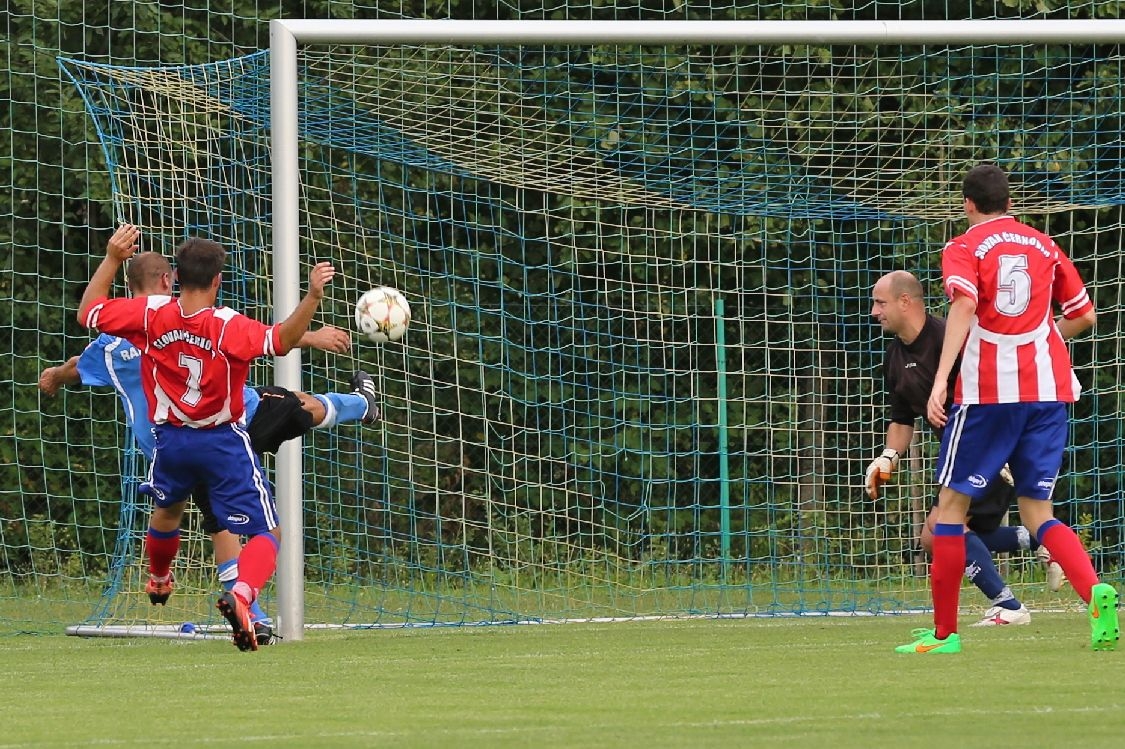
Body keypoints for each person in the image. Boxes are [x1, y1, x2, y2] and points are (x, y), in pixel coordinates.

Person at [39, 252, 381, 646]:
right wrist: (312, 304)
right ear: (185, 280)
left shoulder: (138, 326)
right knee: (295, 419)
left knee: (176, 512)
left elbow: (86, 329)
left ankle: (161, 578)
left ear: (177, 279)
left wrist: (55, 374)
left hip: (167, 443)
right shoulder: (223, 323)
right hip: (227, 433)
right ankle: (245, 600)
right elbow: (278, 339)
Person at [898, 163, 1118, 654]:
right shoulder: (1044, 244)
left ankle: (943, 635)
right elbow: (1084, 314)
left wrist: (940, 380)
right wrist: (1044, 339)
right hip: (1049, 393)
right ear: (1011, 204)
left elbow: (963, 305)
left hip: (989, 396)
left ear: (968, 205)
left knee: (950, 511)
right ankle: (1095, 596)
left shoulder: (964, 246)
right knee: (1039, 512)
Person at [866, 270, 1066, 627]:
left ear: (905, 302)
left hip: (989, 451)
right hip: (960, 456)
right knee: (941, 536)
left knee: (942, 529)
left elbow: (997, 386)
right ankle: (1038, 540)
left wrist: (1005, 452)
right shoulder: (894, 358)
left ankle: (1009, 606)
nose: (873, 311)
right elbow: (902, 421)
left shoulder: (952, 337)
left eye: (880, 303)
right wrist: (887, 457)